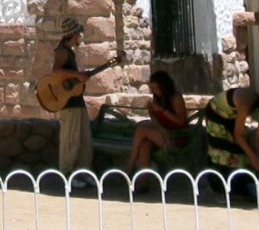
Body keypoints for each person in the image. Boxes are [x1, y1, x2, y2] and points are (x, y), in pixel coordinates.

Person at [51, 19, 113, 176]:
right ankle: (67, 174)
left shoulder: (70, 52)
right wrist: (78, 75)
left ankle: (82, 173)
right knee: (71, 140)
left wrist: (80, 76)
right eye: (79, 33)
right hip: (68, 104)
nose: (80, 36)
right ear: (73, 34)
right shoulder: (62, 51)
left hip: (77, 101)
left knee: (85, 141)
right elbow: (56, 72)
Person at [128, 69, 195, 172]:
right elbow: (156, 121)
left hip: (177, 136)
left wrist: (163, 110)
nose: (154, 91)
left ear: (163, 86)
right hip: (164, 134)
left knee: (141, 130)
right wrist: (152, 112)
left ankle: (130, 165)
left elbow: (181, 121)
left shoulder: (176, 98)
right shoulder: (157, 98)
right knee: (144, 146)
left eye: (156, 88)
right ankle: (143, 179)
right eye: (152, 89)